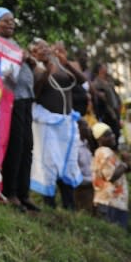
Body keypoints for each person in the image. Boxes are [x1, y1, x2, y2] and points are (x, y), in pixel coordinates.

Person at [0, 7, 40, 212]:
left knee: (27, 147)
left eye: (12, 21)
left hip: (26, 100)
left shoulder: (14, 44)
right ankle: (11, 192)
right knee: (15, 147)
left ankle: (24, 193)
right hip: (10, 101)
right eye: (5, 21)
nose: (11, 24)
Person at [29, 38, 84, 210]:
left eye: (46, 46)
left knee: (68, 163)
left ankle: (70, 206)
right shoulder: (36, 69)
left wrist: (65, 63)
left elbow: (81, 81)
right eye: (39, 49)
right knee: (50, 164)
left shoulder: (60, 64)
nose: (44, 50)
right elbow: (34, 95)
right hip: (48, 124)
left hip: (66, 123)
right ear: (34, 54)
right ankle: (49, 205)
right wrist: (45, 74)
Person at [91, 122, 129, 228]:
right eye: (107, 135)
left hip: (116, 203)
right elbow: (111, 176)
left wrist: (127, 163)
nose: (112, 136)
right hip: (109, 203)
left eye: (111, 133)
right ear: (99, 139)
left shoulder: (109, 152)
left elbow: (119, 173)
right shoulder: (104, 152)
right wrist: (125, 164)